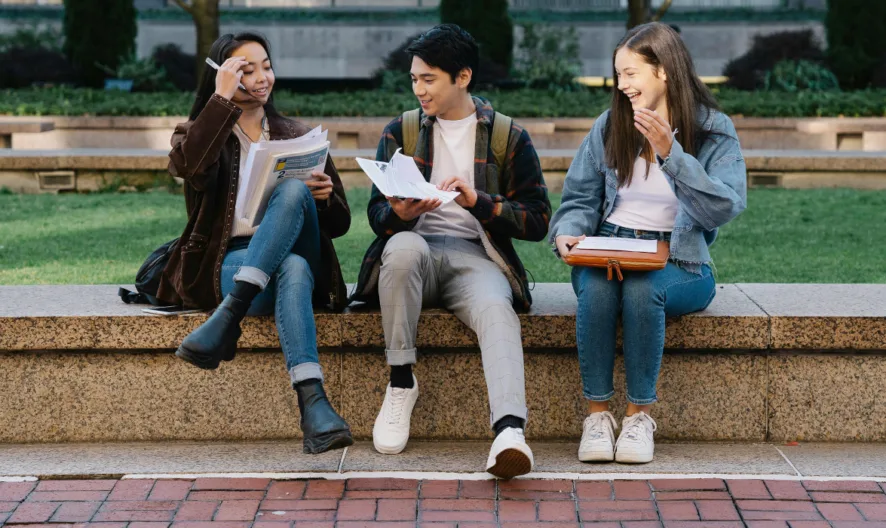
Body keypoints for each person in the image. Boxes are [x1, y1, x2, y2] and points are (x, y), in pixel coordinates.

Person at [350, 24, 551, 479]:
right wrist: (400, 212)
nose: (419, 89)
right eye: (414, 79)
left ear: (462, 77)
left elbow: (538, 220)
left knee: (498, 310)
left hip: (475, 256)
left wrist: (478, 202)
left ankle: (509, 432)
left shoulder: (507, 137)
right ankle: (401, 382)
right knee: (399, 247)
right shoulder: (401, 129)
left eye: (429, 79)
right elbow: (376, 216)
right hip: (414, 250)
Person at [549, 22, 747, 464]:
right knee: (599, 291)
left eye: (631, 73)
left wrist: (671, 155)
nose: (622, 86)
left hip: (679, 259)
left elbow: (725, 206)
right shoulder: (610, 125)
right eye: (618, 75)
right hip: (608, 246)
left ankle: (639, 417)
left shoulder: (713, 129)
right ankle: (597, 416)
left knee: (643, 290)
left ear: (663, 71)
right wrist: (568, 231)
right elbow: (580, 197)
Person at [157, 32, 353, 455]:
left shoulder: (296, 134)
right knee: (294, 269)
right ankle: (313, 404)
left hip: (287, 251)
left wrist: (324, 199)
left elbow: (339, 225)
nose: (263, 77)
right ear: (224, 76)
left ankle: (228, 320)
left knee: (295, 194)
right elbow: (190, 168)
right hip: (226, 263)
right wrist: (221, 102)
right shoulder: (197, 133)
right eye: (247, 70)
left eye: (266, 65)